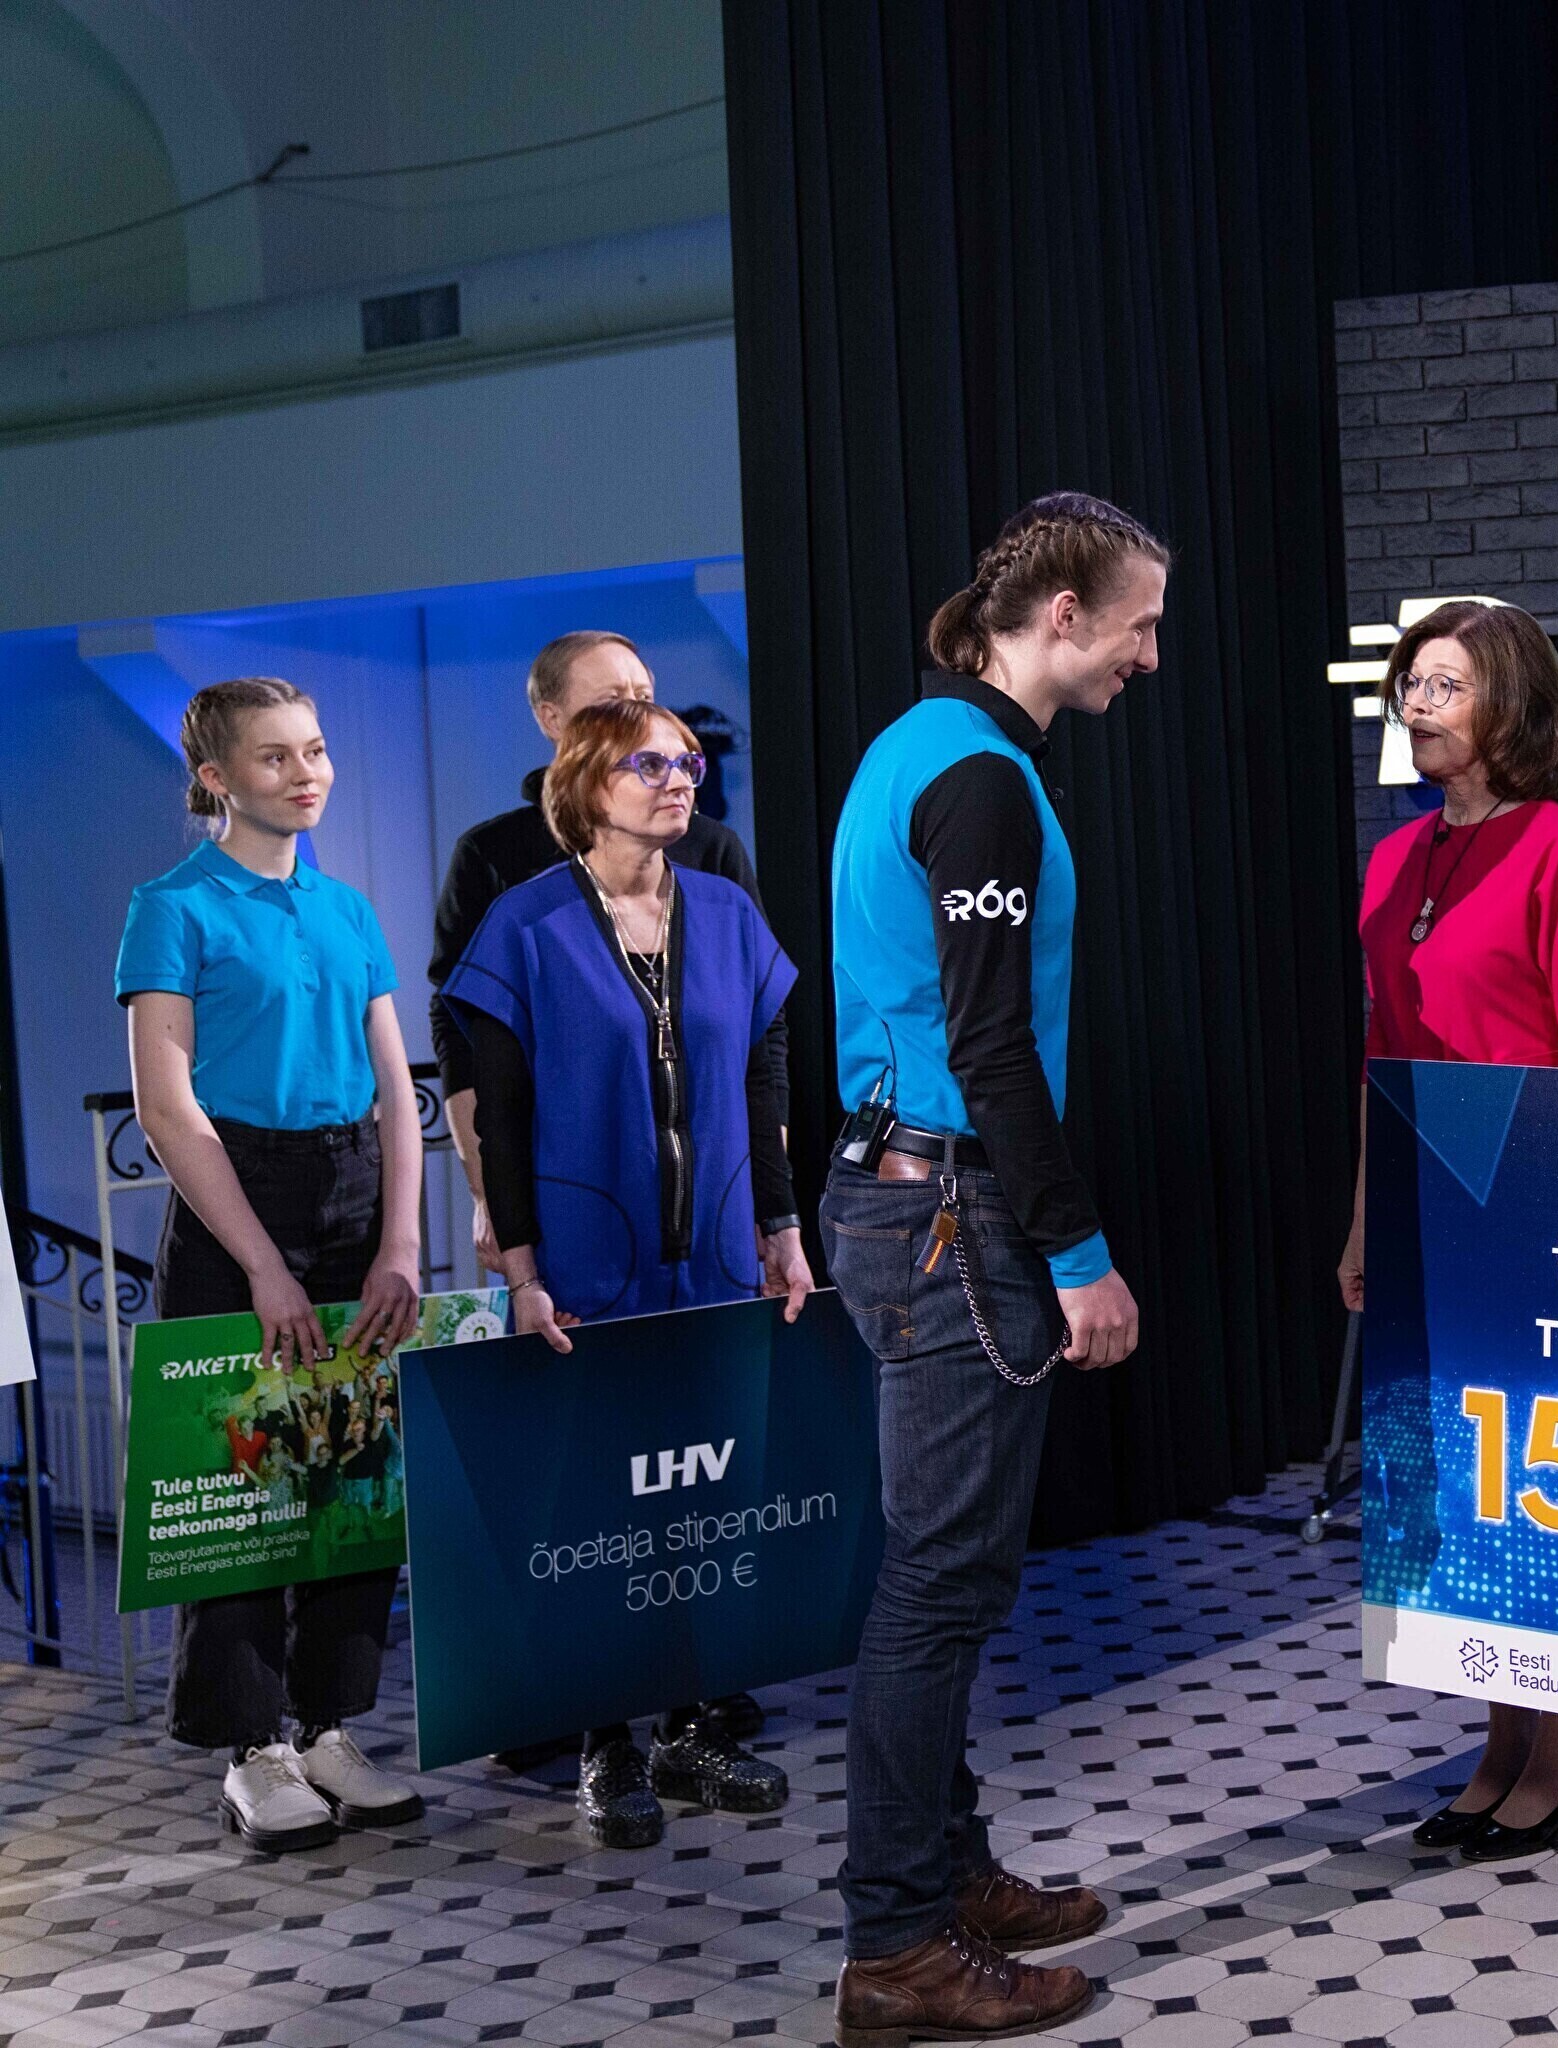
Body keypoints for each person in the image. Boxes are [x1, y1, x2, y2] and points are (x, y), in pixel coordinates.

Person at [823, 492, 1164, 2042]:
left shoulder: (930, 745)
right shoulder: (979, 778)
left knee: (942, 1576)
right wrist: (1080, 1255)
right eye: (1139, 628)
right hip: (952, 1212)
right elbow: (991, 1050)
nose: (1148, 660)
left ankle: (948, 1872)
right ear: (1063, 616)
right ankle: (897, 1944)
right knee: (939, 1583)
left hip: (908, 1195)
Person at [443, 695, 812, 1848]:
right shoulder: (524, 924)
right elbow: (499, 1116)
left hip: (715, 1257)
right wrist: (519, 1265)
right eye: (649, 763)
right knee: (599, 1506)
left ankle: (694, 1724)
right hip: (586, 1263)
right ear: (586, 784)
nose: (679, 777)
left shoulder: (728, 911)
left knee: (707, 1501)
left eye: (687, 760)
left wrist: (783, 1225)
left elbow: (763, 1074)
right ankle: (603, 1743)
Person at [117, 677, 430, 1854]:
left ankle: (330, 1724)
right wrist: (261, 1262)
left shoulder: (348, 908)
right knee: (242, 1480)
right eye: (273, 756)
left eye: (315, 749)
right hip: (234, 1197)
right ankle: (250, 1747)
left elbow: (397, 1088)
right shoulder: (171, 906)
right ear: (214, 778)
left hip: (354, 1188)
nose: (306, 773)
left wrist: (401, 1240)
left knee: (352, 1473)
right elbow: (166, 1105)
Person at [1341, 600, 1558, 1865]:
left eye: (1444, 684)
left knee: (1532, 1487)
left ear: (1508, 702)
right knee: (1454, 1490)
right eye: (1410, 682)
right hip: (1420, 1200)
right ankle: (1503, 1740)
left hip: (1527, 1204)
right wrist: (1364, 1218)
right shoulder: (1394, 857)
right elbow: (1380, 1057)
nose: (1417, 703)